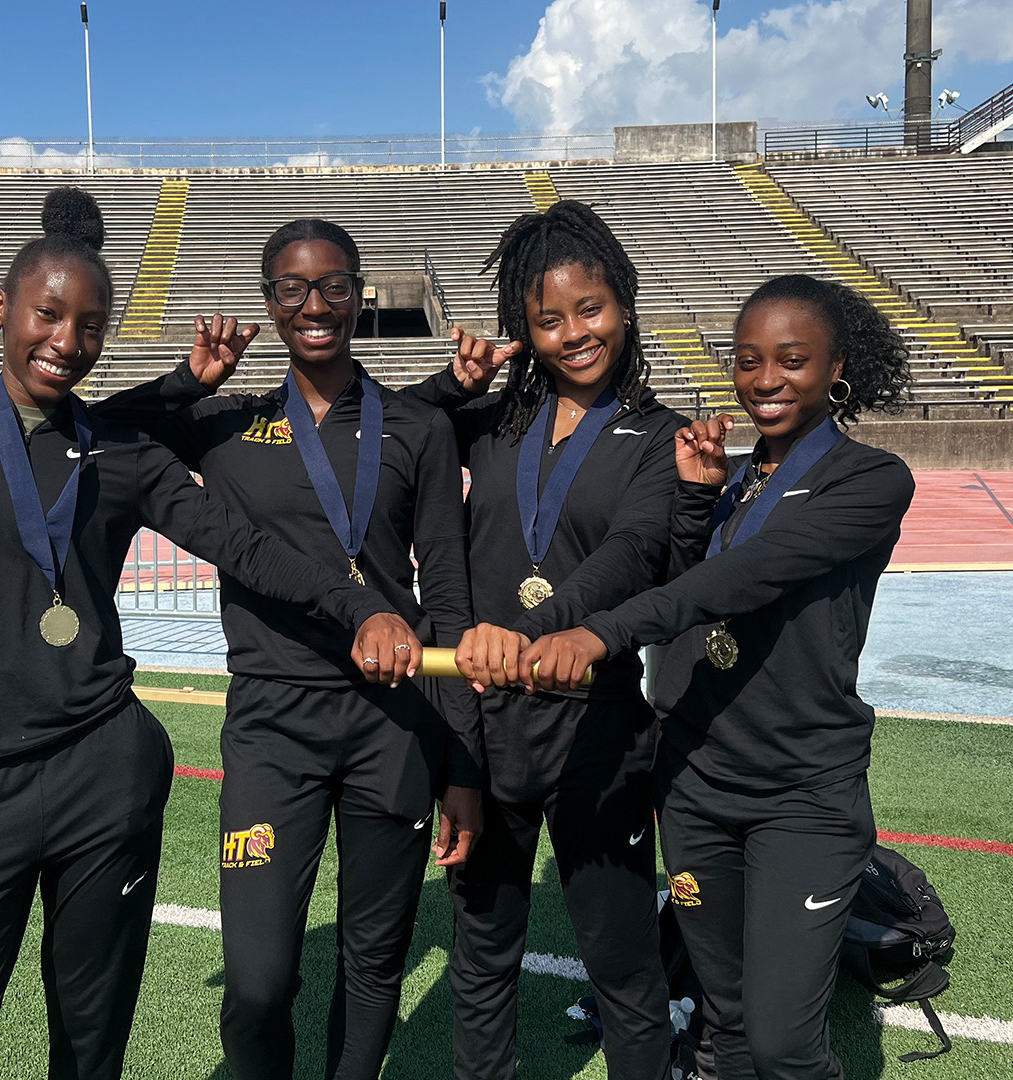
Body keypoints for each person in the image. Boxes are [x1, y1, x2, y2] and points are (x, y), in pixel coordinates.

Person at [0, 189, 414, 1080]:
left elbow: (248, 549)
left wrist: (363, 607)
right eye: (48, 315)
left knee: (89, 1053)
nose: (67, 342)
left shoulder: (121, 452)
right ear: (2, 308)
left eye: (90, 326)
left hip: (101, 777)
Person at [92, 218, 484, 1080]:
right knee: (262, 978)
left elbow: (449, 597)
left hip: (397, 720)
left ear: (360, 293)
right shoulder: (226, 421)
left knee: (374, 960)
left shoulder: (417, 427)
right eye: (292, 290)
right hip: (272, 722)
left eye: (335, 286)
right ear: (268, 303)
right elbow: (100, 427)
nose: (316, 307)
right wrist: (184, 380)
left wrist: (462, 763)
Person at [525, 273, 915, 1080]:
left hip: (801, 793)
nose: (765, 379)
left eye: (792, 360)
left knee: (784, 1045)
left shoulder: (872, 480)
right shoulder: (726, 479)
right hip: (697, 785)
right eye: (747, 360)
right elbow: (680, 573)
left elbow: (748, 577)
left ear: (836, 365)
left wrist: (600, 633)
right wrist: (698, 505)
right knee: (724, 1024)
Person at [401, 201, 680, 1080]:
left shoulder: (661, 436)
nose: (574, 334)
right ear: (523, 330)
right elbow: (387, 434)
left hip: (597, 730)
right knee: (482, 963)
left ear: (625, 304)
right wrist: (455, 386)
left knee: (625, 969)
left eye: (590, 310)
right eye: (547, 320)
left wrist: (523, 631)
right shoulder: (491, 423)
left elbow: (631, 556)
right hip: (486, 730)